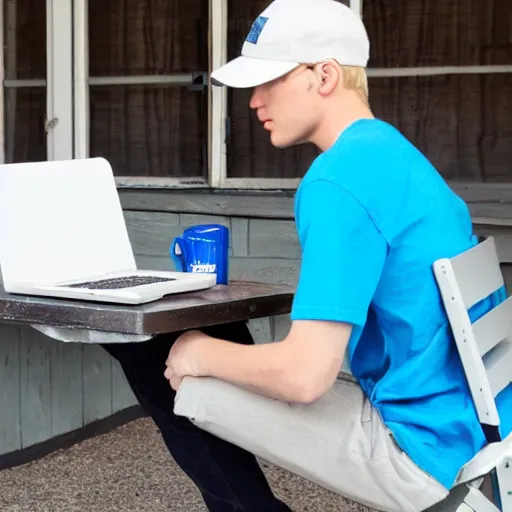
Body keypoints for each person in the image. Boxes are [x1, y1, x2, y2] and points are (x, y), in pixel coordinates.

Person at [110, 0, 512, 511]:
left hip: (424, 453)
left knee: (161, 356)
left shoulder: (338, 181)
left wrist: (196, 352)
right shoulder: (392, 152)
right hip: (475, 420)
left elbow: (304, 376)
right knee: (207, 346)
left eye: (269, 81)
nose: (254, 101)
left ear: (323, 76)